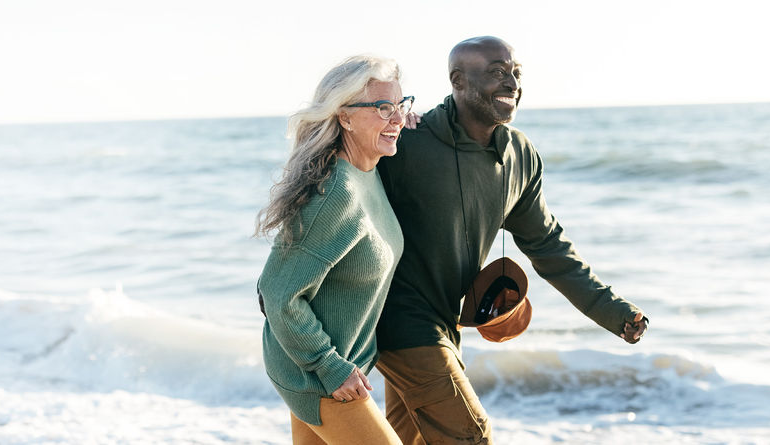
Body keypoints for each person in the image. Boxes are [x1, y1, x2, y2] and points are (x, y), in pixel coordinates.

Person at [373, 36, 650, 444]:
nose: (511, 83)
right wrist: (290, 283)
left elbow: (548, 246)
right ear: (458, 81)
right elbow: (338, 195)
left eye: (516, 73)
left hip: (447, 321)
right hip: (395, 319)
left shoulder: (520, 156)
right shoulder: (407, 141)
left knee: (408, 438)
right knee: (471, 434)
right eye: (497, 73)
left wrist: (612, 310)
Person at [256, 55, 413, 445]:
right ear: (344, 117)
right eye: (381, 107)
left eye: (400, 105)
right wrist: (329, 366)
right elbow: (277, 293)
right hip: (317, 374)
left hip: (334, 369)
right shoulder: (334, 193)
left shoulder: (368, 171)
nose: (395, 118)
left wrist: (399, 118)